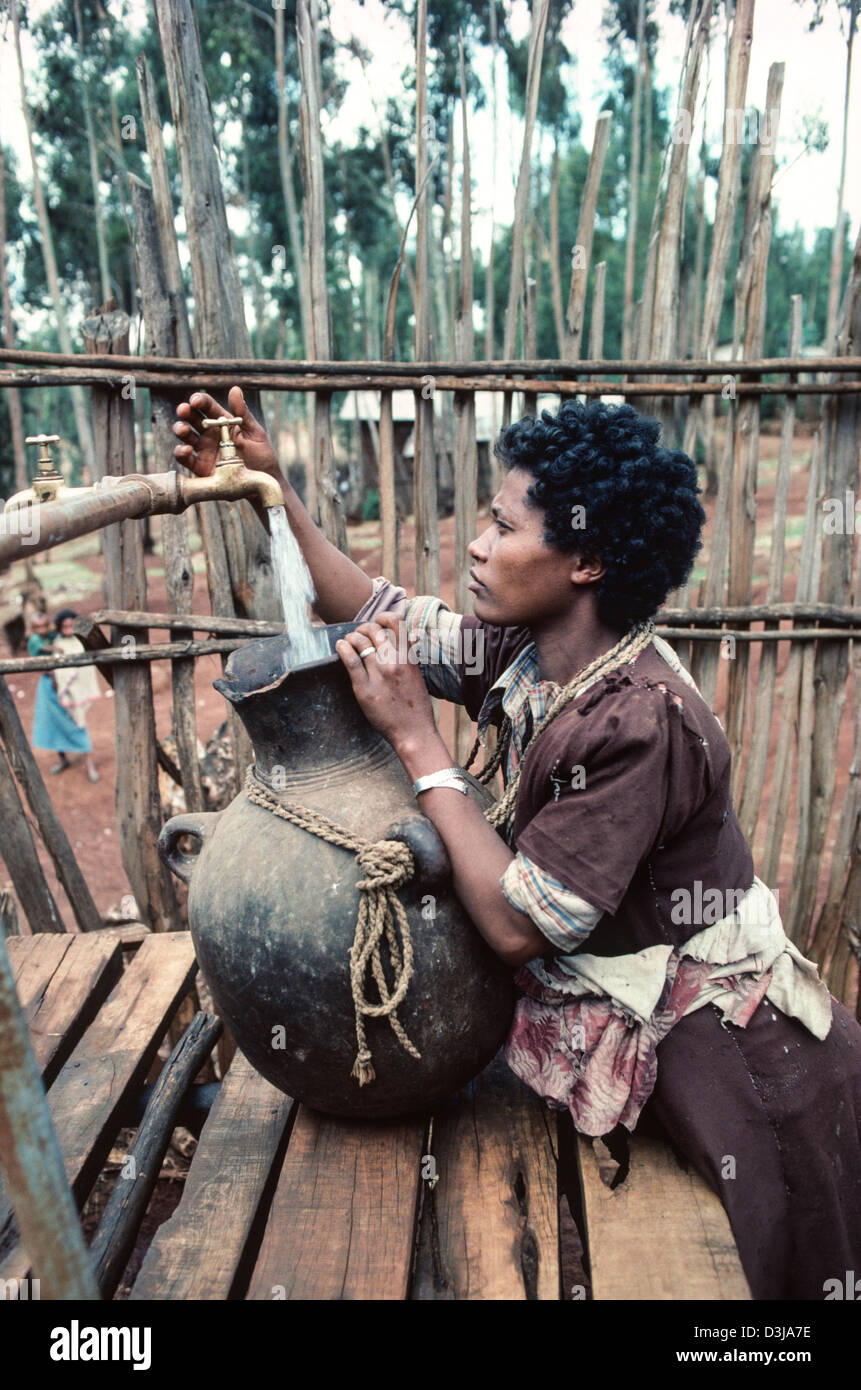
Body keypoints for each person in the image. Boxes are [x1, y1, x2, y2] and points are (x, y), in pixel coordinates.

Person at [174, 386, 861, 1301]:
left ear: (589, 560)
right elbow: (379, 610)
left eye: (503, 526)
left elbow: (515, 929)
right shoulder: (533, 653)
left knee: (779, 1266)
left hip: (741, 1059)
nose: (476, 542)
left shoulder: (639, 724)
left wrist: (419, 744)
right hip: (640, 1020)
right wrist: (271, 487)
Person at [28, 611, 100, 782]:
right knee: (54, 724)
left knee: (78, 722)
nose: (68, 630)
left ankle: (89, 763)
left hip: (71, 690)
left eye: (71, 626)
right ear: (60, 627)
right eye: (65, 626)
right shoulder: (51, 641)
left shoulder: (78, 642)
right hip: (49, 688)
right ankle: (63, 759)